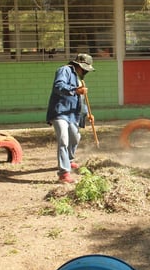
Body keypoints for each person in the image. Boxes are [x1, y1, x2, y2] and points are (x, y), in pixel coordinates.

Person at [46, 53, 95, 183]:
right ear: (79, 65)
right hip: (60, 112)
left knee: (76, 137)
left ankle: (69, 159)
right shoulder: (65, 70)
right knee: (63, 141)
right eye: (85, 69)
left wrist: (87, 114)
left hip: (72, 114)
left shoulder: (78, 79)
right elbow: (58, 86)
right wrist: (75, 90)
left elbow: (81, 101)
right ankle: (64, 173)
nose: (86, 72)